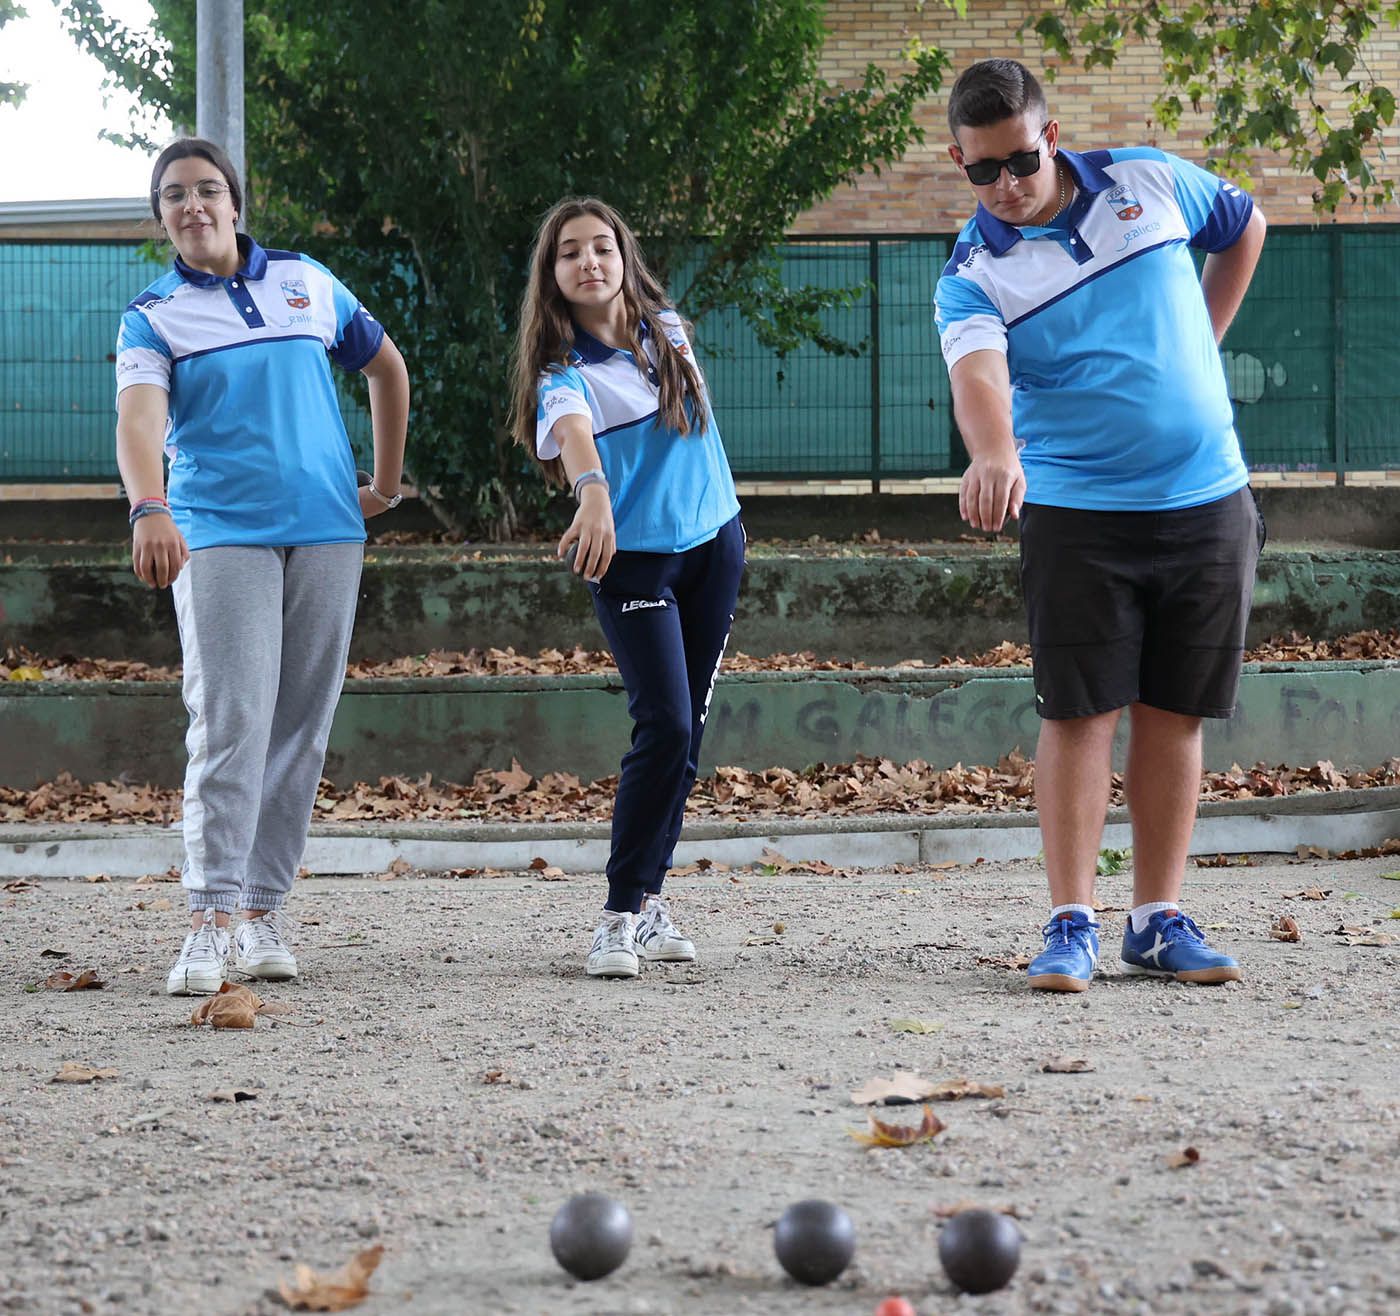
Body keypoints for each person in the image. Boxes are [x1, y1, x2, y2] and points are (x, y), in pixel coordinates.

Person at [934, 59, 1267, 992]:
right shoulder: (973, 273)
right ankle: (1070, 922)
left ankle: (1157, 920)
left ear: (1052, 134)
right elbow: (978, 377)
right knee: (1079, 716)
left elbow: (1243, 228)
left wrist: (1203, 336)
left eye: (1022, 160)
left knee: (1176, 712)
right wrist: (995, 453)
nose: (1007, 185)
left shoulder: (1148, 180)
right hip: (1080, 514)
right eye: (983, 170)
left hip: (1208, 499)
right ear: (955, 157)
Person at [114, 138, 410, 995]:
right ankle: (208, 916)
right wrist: (150, 506)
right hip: (218, 530)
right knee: (232, 718)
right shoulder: (153, 314)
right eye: (174, 195)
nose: (194, 205)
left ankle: (259, 911)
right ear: (160, 217)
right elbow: (140, 422)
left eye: (209, 190)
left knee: (300, 725)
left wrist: (384, 485)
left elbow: (386, 366)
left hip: (326, 528)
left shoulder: (307, 281)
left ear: (236, 203)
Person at [510, 197, 744, 979]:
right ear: (554, 274)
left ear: (623, 255)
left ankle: (647, 902)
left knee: (690, 734)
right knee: (667, 727)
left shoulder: (666, 329)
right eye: (570, 252)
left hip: (716, 546)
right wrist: (594, 493)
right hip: (633, 564)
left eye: (601, 247)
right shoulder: (561, 373)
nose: (589, 262)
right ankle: (617, 915)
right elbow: (576, 438)